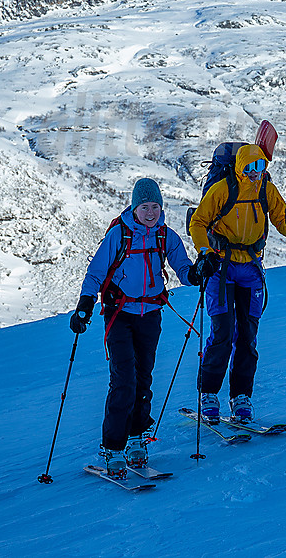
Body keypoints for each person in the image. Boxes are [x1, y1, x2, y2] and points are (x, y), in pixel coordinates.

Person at [70, 178, 192, 479]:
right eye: (144, 206)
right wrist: (85, 304)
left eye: (155, 206)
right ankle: (112, 447)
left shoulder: (166, 236)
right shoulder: (119, 235)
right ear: (134, 207)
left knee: (143, 379)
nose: (150, 212)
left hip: (150, 314)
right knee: (124, 379)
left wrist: (200, 271)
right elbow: (96, 271)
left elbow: (185, 270)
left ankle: (136, 437)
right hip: (119, 315)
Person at [188, 143, 286, 424]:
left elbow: (283, 226)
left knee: (248, 336)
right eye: (249, 168)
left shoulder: (266, 190)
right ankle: (209, 394)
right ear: (239, 168)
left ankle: (241, 396)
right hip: (221, 267)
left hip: (250, 267)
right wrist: (205, 254)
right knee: (223, 333)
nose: (254, 174)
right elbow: (198, 223)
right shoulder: (223, 189)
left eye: (260, 167)